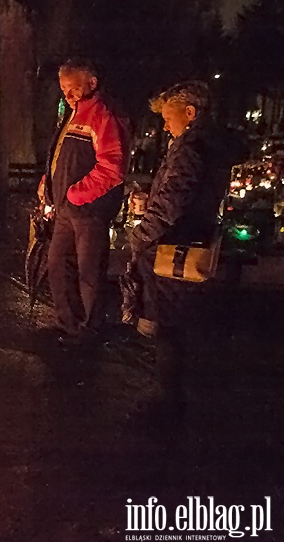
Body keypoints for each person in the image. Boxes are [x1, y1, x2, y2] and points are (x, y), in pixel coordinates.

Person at [128, 82, 230, 413]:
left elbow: (172, 201)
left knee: (168, 321)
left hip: (174, 247)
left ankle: (167, 397)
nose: (165, 126)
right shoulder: (208, 144)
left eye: (169, 118)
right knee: (177, 322)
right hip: (190, 240)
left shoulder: (191, 148)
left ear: (190, 113)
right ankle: (171, 391)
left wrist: (142, 233)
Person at [41, 59, 131, 343]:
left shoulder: (104, 115)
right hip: (68, 208)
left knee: (89, 270)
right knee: (58, 262)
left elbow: (113, 168)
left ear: (91, 83)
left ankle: (89, 327)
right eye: (64, 89)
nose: (67, 95)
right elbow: (62, 156)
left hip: (89, 209)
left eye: (73, 88)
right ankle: (68, 322)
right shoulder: (73, 114)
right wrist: (48, 183)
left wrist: (76, 194)